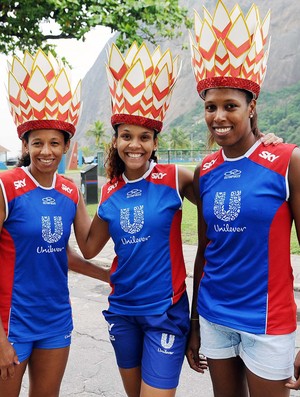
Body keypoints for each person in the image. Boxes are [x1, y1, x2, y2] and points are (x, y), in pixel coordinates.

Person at [73, 41, 282, 397]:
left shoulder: (177, 177)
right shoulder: (109, 191)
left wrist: (262, 145)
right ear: (116, 141)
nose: (134, 145)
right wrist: (70, 193)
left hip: (166, 312)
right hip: (122, 311)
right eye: (126, 136)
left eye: (144, 137)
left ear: (155, 142)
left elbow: (229, 194)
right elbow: (90, 248)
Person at [185, 1, 300, 396]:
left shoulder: (288, 161)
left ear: (252, 107)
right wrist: (195, 324)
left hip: (268, 323)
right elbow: (204, 250)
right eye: (210, 107)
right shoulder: (206, 170)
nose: (219, 116)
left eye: (230, 105)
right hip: (215, 317)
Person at [0, 49, 107, 397]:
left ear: (65, 146)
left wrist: (110, 276)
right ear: (26, 145)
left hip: (55, 319)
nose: (46, 151)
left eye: (55, 143)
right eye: (38, 143)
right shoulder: (6, 185)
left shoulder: (70, 190)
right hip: (11, 322)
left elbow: (69, 252)